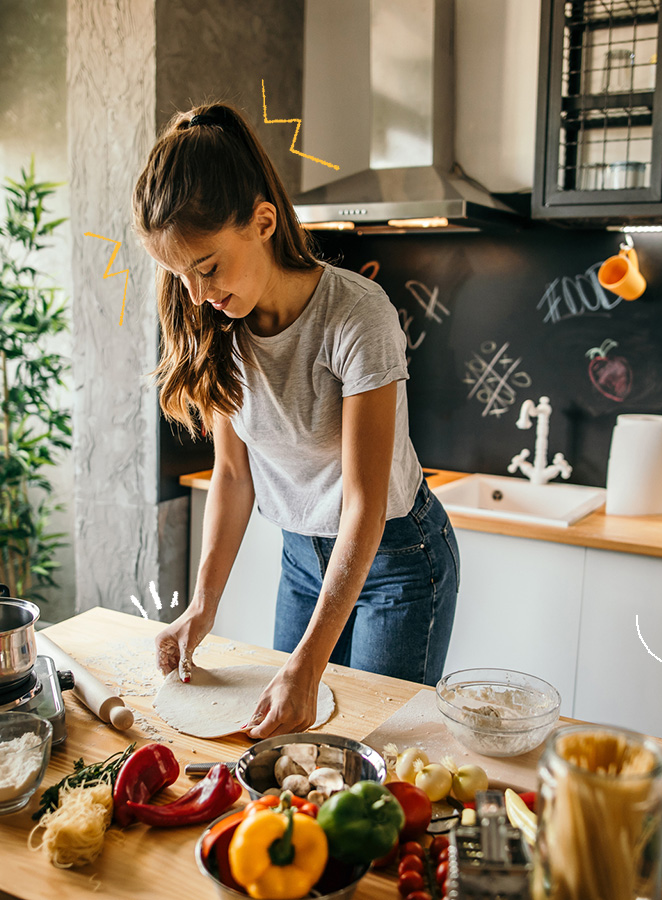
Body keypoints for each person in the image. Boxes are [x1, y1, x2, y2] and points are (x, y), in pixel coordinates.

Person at [133, 102, 459, 740]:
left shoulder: (356, 316)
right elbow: (232, 475)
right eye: (180, 276)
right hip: (302, 558)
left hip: (396, 555)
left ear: (262, 221)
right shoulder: (216, 325)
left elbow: (362, 506)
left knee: (369, 747)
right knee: (286, 742)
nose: (197, 295)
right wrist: (204, 603)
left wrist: (307, 666)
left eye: (207, 269)